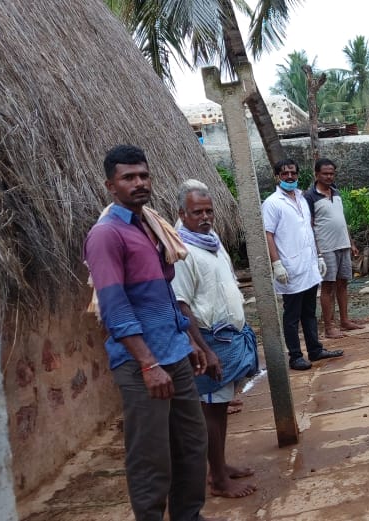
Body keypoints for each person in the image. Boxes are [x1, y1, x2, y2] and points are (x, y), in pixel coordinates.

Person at [83, 144, 224, 521]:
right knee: (151, 457)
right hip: (141, 364)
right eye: (129, 177)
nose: (139, 183)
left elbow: (164, 295)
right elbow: (114, 307)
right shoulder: (106, 235)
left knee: (192, 446)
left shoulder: (150, 225)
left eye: (143, 175)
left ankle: (188, 515)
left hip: (174, 355)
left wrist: (190, 340)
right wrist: (148, 363)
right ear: (111, 186)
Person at [171, 180, 259, 499]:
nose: (205, 217)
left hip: (227, 336)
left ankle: (220, 466)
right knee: (210, 411)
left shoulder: (210, 239)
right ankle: (219, 479)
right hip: (210, 339)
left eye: (209, 211)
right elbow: (181, 304)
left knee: (220, 407)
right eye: (197, 212)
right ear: (182, 213)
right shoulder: (181, 250)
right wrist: (205, 350)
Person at [262, 159, 344, 371]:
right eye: (285, 174)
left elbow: (309, 229)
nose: (289, 177)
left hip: (308, 264)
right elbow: (268, 235)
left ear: (298, 175)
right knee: (292, 315)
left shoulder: (302, 198)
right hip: (289, 267)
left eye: (293, 173)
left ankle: (314, 349)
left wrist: (318, 256)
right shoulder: (272, 203)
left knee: (309, 311)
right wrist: (277, 264)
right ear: (277, 177)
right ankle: (295, 356)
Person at [304, 158, 363, 339]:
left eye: (332, 173)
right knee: (328, 286)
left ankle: (344, 320)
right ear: (317, 174)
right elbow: (309, 224)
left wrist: (351, 242)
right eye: (325, 173)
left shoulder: (336, 193)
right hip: (326, 247)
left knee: (343, 283)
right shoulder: (310, 196)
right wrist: (317, 251)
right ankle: (329, 326)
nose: (329, 176)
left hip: (343, 244)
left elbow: (341, 220)